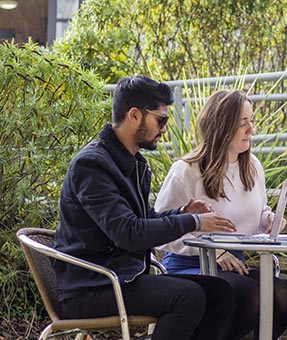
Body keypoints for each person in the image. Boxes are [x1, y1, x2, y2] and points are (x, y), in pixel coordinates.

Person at [53, 75, 238, 340]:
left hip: (122, 278)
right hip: (91, 287)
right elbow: (128, 233)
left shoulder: (133, 163)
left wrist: (181, 214)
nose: (164, 129)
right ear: (134, 115)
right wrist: (194, 223)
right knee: (189, 297)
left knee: (220, 293)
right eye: (160, 120)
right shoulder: (92, 166)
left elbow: (143, 220)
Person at [154, 89, 287, 340]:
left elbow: (258, 209)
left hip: (234, 268)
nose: (251, 129)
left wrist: (269, 219)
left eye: (252, 121)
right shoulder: (186, 171)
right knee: (252, 295)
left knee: (283, 297)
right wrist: (213, 251)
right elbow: (161, 232)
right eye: (243, 123)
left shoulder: (252, 167)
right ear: (221, 126)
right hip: (189, 267)